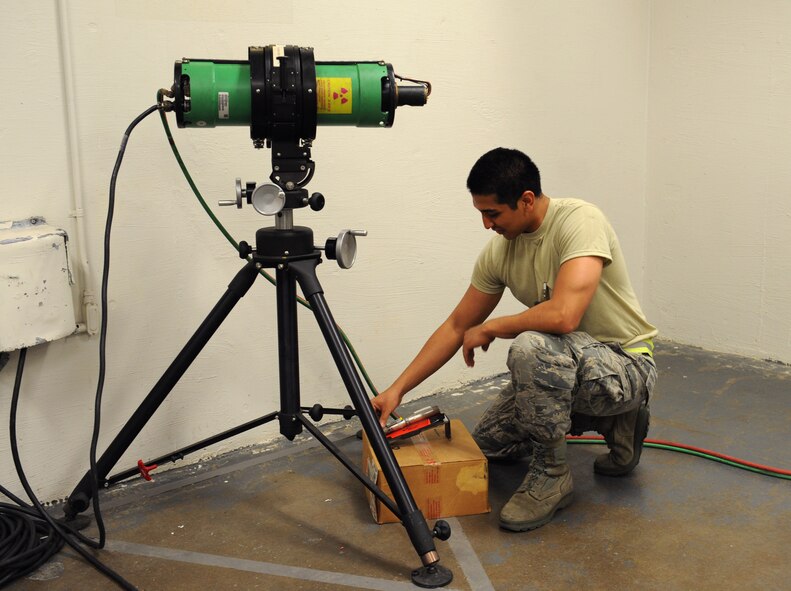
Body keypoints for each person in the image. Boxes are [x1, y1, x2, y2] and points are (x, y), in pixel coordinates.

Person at [372, 147, 658, 532]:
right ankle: (614, 424)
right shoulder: (500, 251)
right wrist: (397, 390)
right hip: (569, 367)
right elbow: (457, 325)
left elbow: (563, 315)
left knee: (530, 345)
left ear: (526, 200)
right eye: (481, 214)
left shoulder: (580, 221)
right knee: (488, 443)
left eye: (493, 213)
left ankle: (554, 474)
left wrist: (493, 327)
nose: (487, 225)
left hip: (624, 364)